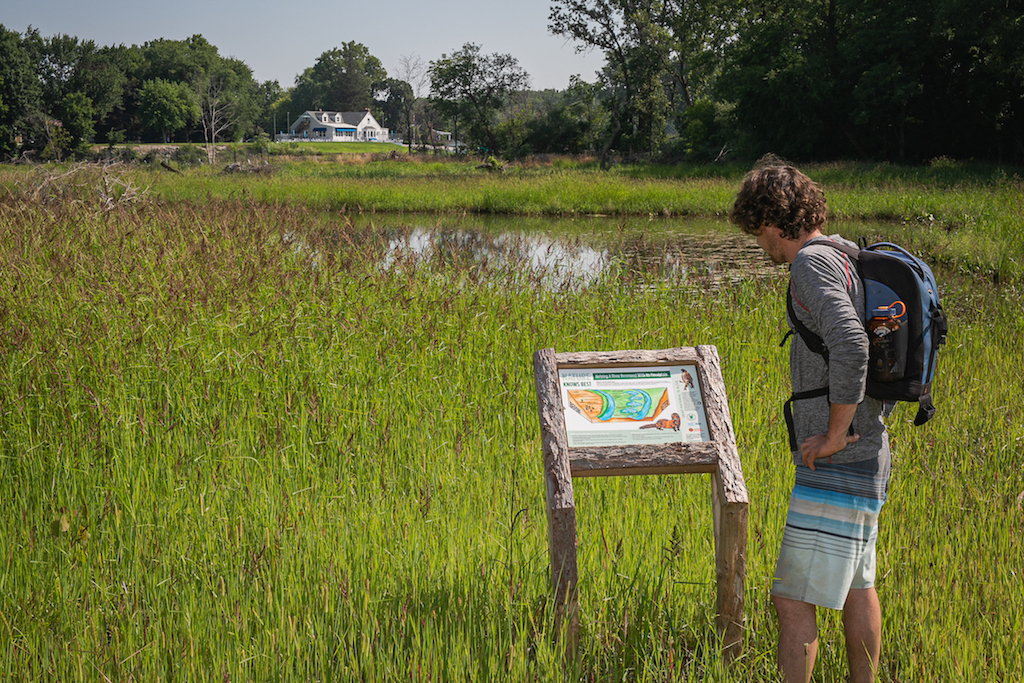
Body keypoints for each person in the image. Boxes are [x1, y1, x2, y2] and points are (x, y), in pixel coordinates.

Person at [729, 162, 890, 683]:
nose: (758, 244)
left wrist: (835, 434)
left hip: (841, 459)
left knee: (792, 595)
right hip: (868, 455)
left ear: (773, 220)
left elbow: (850, 341)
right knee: (855, 586)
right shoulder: (843, 254)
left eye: (756, 231)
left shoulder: (810, 266)